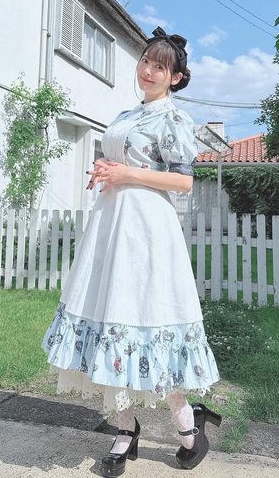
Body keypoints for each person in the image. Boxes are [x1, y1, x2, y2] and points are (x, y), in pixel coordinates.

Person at [42, 27, 221, 476]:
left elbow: (182, 181)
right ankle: (126, 428)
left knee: (146, 318)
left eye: (160, 67)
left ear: (176, 77)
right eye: (145, 61)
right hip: (111, 225)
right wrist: (106, 170)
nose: (148, 71)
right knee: (108, 317)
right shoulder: (126, 115)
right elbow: (125, 163)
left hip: (146, 230)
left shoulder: (174, 120)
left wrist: (127, 175)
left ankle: (187, 424)